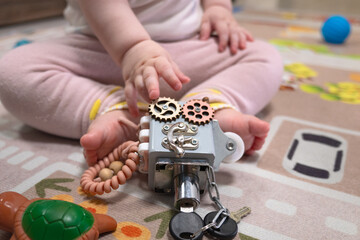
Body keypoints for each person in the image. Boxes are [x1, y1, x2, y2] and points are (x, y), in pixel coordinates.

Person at [0, 0, 283, 166]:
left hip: (188, 49)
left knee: (265, 55)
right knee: (13, 70)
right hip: (101, 51)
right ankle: (119, 111)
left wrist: (219, 9)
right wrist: (132, 48)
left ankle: (206, 105)